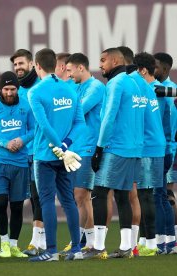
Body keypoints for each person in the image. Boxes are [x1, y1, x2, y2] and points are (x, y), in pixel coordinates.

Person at [85, 48, 144, 259]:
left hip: (116, 147)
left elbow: (108, 117)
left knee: (100, 192)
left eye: (103, 60)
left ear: (116, 60)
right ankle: (127, 247)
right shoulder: (136, 83)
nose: (100, 65)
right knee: (122, 195)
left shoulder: (115, 83)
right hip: (134, 148)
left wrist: (99, 149)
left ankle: (98, 247)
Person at [27, 48, 85, 262]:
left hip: (45, 155)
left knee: (47, 202)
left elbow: (44, 125)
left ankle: (51, 250)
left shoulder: (35, 92)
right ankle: (77, 249)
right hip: (67, 155)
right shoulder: (71, 90)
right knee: (69, 201)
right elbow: (81, 124)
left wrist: (59, 146)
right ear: (57, 65)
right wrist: (66, 146)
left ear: (37, 66)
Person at [0, 71, 35, 258]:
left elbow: (34, 129)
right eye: (6, 89)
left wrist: (22, 140)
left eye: (13, 89)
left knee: (18, 206)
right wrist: (4, 143)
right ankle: (4, 243)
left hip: (20, 161)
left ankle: (14, 245)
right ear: (0, 88)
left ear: (18, 88)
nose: (10, 93)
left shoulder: (26, 105)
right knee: (1, 202)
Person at [65, 53, 105, 252]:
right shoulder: (73, 86)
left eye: (71, 70)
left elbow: (78, 110)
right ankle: (85, 242)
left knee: (82, 195)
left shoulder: (96, 87)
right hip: (73, 149)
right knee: (78, 197)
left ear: (81, 68)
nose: (69, 75)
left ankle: (86, 242)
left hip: (88, 147)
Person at [10, 49, 46, 255]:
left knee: (39, 196)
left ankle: (37, 241)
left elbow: (40, 125)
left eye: (21, 63)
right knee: (32, 198)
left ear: (32, 64)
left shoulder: (41, 88)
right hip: (22, 155)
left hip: (40, 151)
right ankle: (41, 241)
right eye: (15, 65)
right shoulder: (18, 91)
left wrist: (23, 140)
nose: (18, 68)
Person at [131, 52, 166, 256]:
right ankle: (146, 241)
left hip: (147, 148)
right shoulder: (152, 90)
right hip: (158, 146)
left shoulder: (140, 89)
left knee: (145, 195)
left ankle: (151, 243)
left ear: (142, 70)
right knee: (150, 194)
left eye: (135, 69)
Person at [117, 46, 142, 256]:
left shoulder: (124, 82)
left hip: (124, 147)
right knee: (135, 196)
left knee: (122, 195)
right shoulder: (141, 83)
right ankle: (134, 245)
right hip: (140, 145)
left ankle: (130, 245)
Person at [153, 52, 177, 253]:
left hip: (168, 148)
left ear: (166, 69)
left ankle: (168, 239)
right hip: (165, 148)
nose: (153, 70)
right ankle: (171, 239)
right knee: (164, 194)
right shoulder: (159, 89)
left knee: (165, 195)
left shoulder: (170, 90)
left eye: (156, 66)